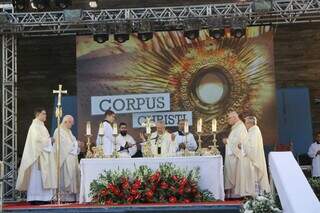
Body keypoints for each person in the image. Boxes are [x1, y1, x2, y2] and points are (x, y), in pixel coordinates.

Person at [16, 108, 57, 204]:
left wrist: (49, 141)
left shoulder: (42, 126)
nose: (45, 115)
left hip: (44, 156)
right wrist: (49, 141)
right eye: (43, 114)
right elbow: (36, 141)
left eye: (45, 113)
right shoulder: (34, 126)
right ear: (38, 115)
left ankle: (45, 198)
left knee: (43, 177)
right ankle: (36, 198)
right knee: (37, 178)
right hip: (37, 157)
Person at [235, 116, 270, 197]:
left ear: (251, 123)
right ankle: (250, 193)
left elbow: (252, 147)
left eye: (246, 123)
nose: (245, 125)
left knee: (253, 176)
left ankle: (253, 194)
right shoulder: (252, 131)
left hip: (252, 160)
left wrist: (242, 145)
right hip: (249, 158)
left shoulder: (255, 131)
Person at [53, 115, 80, 202]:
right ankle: (64, 197)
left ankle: (71, 197)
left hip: (71, 158)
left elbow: (72, 142)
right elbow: (65, 145)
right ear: (66, 122)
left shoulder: (68, 131)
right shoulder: (58, 131)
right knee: (65, 177)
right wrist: (76, 144)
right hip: (64, 159)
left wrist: (76, 144)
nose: (71, 125)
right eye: (71, 123)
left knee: (72, 176)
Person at [223, 111, 248, 198]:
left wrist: (227, 141)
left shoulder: (241, 127)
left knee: (236, 175)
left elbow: (240, 142)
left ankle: (236, 195)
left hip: (236, 157)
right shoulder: (236, 127)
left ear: (235, 117)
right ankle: (232, 194)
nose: (228, 120)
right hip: (232, 155)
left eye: (229, 118)